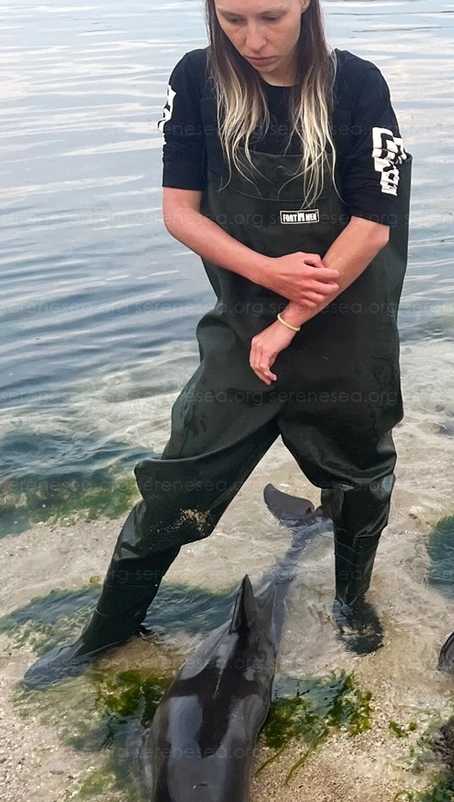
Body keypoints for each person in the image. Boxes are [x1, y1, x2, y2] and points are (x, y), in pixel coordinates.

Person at [23, 0, 411, 688]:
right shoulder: (197, 80)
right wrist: (265, 276)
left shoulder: (357, 86)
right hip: (240, 326)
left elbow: (372, 225)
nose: (253, 40)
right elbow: (179, 210)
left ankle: (351, 601)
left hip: (349, 331)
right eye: (232, 20)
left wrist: (289, 320)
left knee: (358, 479)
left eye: (271, 17)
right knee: (179, 485)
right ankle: (108, 633)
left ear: (307, 9)